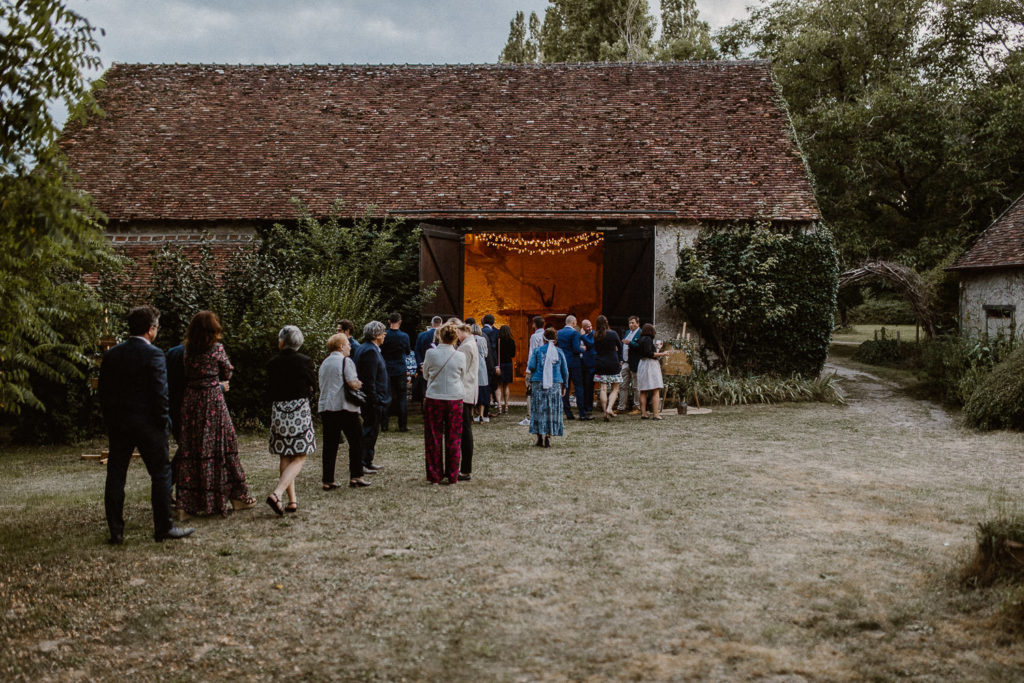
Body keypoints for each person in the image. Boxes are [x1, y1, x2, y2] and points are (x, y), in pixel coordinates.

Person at [98, 305, 194, 544]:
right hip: (150, 425)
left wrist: (111, 420)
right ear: (151, 329)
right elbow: (161, 393)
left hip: (120, 424)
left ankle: (116, 531)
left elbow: (104, 393)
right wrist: (164, 422)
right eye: (157, 327)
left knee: (116, 475)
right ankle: (163, 527)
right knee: (161, 474)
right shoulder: (154, 355)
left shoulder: (112, 355)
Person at [175, 311, 255, 516]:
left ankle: (186, 504)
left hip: (192, 400)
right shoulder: (216, 348)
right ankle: (237, 497)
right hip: (212, 400)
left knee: (192, 448)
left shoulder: (188, 350)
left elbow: (186, 372)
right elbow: (227, 371)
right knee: (224, 445)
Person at [266, 325, 317, 515]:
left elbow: (269, 388)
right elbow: (313, 384)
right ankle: (277, 494)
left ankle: (292, 501)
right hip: (298, 411)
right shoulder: (305, 361)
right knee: (300, 456)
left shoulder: (272, 363)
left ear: (282, 341)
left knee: (285, 455)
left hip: (279, 410)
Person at [318, 333, 369, 490]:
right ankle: (356, 476)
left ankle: (328, 479)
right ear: (340, 346)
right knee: (356, 441)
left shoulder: (325, 363)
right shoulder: (346, 361)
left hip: (327, 407)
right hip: (344, 406)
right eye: (347, 343)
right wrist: (359, 384)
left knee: (330, 445)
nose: (350, 346)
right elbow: (352, 382)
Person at [422, 323, 467, 484]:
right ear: (455, 338)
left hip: (435, 396)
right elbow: (462, 375)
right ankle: (453, 474)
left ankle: (435, 475)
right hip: (454, 397)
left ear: (440, 336)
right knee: (454, 437)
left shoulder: (431, 354)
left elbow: (426, 375)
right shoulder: (460, 356)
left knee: (434, 436)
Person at [353, 320, 390, 474]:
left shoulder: (367, 348)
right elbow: (369, 379)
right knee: (369, 431)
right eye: (383, 332)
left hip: (373, 398)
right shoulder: (369, 351)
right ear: (376, 335)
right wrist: (375, 399)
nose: (385, 335)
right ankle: (362, 462)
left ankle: (368, 460)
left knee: (372, 431)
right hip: (372, 399)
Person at [527, 327, 568, 448]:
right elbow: (565, 370)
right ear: (555, 340)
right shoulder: (559, 352)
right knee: (551, 409)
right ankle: (548, 436)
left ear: (543, 339)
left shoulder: (538, 351)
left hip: (538, 382)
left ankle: (539, 436)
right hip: (554, 383)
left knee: (539, 409)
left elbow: (531, 366)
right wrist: (565, 384)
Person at [455, 322, 479, 481]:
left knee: (465, 431)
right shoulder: (472, 343)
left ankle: (465, 469)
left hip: (463, 391)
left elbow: (459, 370)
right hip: (470, 390)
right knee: (466, 429)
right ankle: (465, 468)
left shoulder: (465, 347)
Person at [632, 323, 670, 420]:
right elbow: (650, 354)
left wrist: (657, 350)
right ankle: (656, 414)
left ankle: (643, 413)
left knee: (643, 390)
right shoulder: (648, 339)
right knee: (655, 389)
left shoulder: (640, 340)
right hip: (650, 365)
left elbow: (644, 352)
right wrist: (662, 353)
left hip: (642, 364)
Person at [380, 312, 411, 432]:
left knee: (386, 395)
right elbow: (408, 351)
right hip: (400, 368)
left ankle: (384, 425)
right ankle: (402, 425)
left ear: (389, 321)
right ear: (400, 321)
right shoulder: (404, 336)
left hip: (387, 368)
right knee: (402, 397)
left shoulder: (384, 335)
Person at [556, 315, 588, 420]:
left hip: (563, 363)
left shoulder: (559, 332)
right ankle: (582, 413)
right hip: (574, 363)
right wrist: (583, 349)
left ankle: (568, 412)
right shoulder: (574, 333)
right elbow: (575, 349)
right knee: (578, 387)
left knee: (565, 387)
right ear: (574, 322)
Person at [592, 315, 623, 421]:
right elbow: (620, 346)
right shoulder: (613, 334)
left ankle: (605, 412)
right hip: (613, 362)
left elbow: (595, 349)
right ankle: (610, 408)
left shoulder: (596, 335)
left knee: (603, 388)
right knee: (615, 388)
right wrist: (620, 358)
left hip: (600, 363)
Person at [520, 315, 547, 426]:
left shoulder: (534, 336)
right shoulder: (546, 335)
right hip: (544, 367)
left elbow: (532, 352)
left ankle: (530, 416)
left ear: (534, 325)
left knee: (530, 392)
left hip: (534, 367)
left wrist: (529, 368)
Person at [618, 315, 642, 414]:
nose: (631, 325)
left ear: (638, 323)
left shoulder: (641, 333)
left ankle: (637, 407)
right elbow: (622, 347)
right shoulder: (627, 332)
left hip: (635, 362)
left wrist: (630, 343)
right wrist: (621, 359)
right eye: (629, 323)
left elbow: (640, 346)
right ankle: (621, 407)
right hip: (625, 362)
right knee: (623, 385)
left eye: (633, 323)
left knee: (636, 386)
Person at [471, 322, 490, 423]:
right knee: (482, 391)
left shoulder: (468, 339)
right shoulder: (482, 339)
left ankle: (472, 414)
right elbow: (486, 353)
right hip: (481, 366)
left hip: (471, 366)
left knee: (472, 391)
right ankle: (482, 415)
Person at [481, 313, 500, 411]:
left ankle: (484, 403)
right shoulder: (494, 332)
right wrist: (496, 364)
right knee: (492, 383)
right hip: (491, 361)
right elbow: (494, 349)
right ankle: (493, 402)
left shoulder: (480, 331)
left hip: (482, 360)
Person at [495, 324, 516, 414]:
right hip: (508, 364)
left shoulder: (497, 341)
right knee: (506, 385)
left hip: (499, 364)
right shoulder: (511, 341)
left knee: (498, 385)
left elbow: (495, 353)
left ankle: (499, 405)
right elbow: (513, 355)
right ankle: (506, 405)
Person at [580, 318, 597, 420]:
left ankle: (589, 408)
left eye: (590, 325)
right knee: (583, 387)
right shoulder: (579, 335)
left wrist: (582, 336)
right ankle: (583, 407)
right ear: (583, 327)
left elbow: (591, 345)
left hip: (590, 364)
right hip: (581, 363)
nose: (590, 328)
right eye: (587, 326)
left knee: (589, 387)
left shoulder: (593, 334)